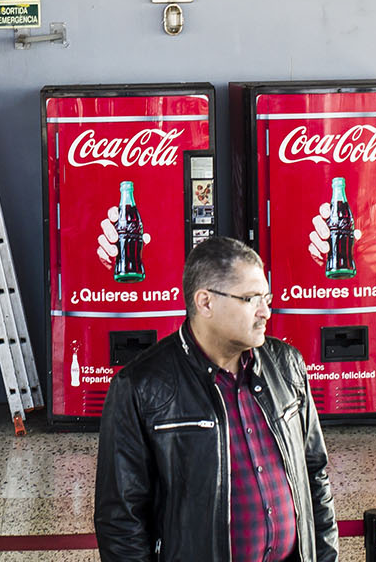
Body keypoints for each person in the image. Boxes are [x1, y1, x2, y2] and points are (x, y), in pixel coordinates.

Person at [94, 235, 338, 562]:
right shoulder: (140, 386)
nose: (266, 311)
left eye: (266, 296)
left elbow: (314, 475)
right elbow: (121, 521)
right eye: (251, 298)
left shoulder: (287, 365)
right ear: (205, 302)